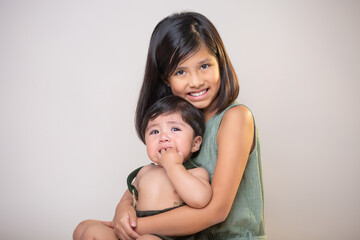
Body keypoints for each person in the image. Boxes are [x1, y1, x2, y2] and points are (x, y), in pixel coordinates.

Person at [110, 11, 267, 240]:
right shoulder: (177, 124)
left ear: (220, 63)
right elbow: (149, 179)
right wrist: (122, 209)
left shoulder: (235, 118)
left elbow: (216, 211)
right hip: (184, 237)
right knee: (88, 229)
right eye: (181, 71)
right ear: (166, 79)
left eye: (204, 66)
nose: (195, 81)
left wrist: (135, 226)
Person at [73, 95, 212, 240]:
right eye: (154, 132)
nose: (163, 137)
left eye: (175, 129)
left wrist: (173, 166)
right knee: (88, 230)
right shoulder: (145, 172)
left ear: (195, 143)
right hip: (134, 231)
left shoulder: (195, 173)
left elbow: (200, 199)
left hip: (169, 236)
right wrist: (122, 210)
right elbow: (126, 199)